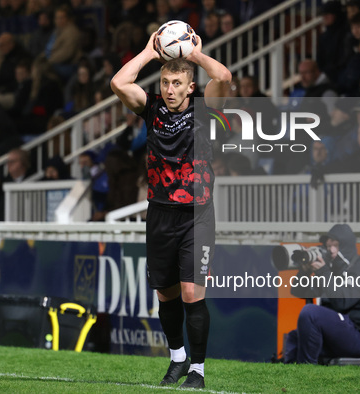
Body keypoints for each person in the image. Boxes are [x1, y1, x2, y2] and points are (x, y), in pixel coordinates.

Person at [110, 30, 231, 388]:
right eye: (165, 82)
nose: (169, 89)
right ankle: (177, 359)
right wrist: (149, 51)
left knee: (192, 292)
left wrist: (194, 57)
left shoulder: (205, 108)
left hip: (197, 214)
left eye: (177, 83)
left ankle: (198, 370)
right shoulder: (151, 109)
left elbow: (222, 77)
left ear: (190, 87)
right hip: (159, 213)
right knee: (166, 293)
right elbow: (119, 82)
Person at [283, 224, 360, 365]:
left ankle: (305, 373)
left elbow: (343, 301)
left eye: (335, 245)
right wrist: (305, 271)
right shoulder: (334, 270)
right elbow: (299, 291)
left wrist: (324, 272)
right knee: (295, 337)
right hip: (346, 332)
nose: (330, 250)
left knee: (310, 313)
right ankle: (290, 378)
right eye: (328, 246)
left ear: (346, 246)